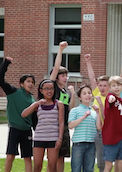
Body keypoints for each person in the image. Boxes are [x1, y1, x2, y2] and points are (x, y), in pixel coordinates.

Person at [0, 56, 36, 172]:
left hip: (27, 130)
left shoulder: (33, 99)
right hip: (15, 129)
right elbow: (0, 80)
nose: (31, 84)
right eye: (28, 81)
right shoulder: (13, 92)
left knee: (28, 157)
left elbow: (34, 118)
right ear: (22, 83)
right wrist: (6, 63)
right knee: (10, 156)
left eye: (32, 82)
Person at [22, 79, 64, 172]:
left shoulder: (58, 104)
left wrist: (60, 138)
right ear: (41, 90)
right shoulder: (38, 104)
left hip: (53, 137)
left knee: (52, 166)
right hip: (39, 137)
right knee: (37, 166)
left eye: (51, 88)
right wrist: (36, 104)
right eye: (46, 89)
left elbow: (61, 123)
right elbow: (24, 114)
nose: (49, 91)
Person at [50, 41, 75, 172]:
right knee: (53, 156)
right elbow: (55, 67)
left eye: (66, 75)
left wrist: (73, 94)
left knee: (62, 156)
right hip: (54, 125)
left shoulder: (65, 92)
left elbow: (69, 109)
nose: (65, 78)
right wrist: (60, 50)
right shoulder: (53, 88)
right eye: (62, 75)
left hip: (64, 125)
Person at [85, 53, 110, 172]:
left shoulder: (111, 98)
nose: (102, 88)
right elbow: (91, 78)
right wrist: (88, 62)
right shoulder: (96, 94)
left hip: (106, 131)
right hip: (94, 130)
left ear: (109, 87)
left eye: (105, 85)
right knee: (94, 159)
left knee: (104, 161)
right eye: (100, 85)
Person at [68, 85, 100, 172]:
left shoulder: (93, 112)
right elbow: (70, 125)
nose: (87, 95)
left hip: (91, 144)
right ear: (80, 97)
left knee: (89, 169)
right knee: (76, 168)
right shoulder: (75, 110)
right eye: (84, 93)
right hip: (78, 144)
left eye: (89, 93)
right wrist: (84, 116)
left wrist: (97, 113)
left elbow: (98, 127)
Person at [102, 76, 122, 172]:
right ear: (110, 87)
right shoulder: (110, 97)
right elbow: (110, 99)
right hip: (110, 137)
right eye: (114, 85)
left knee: (121, 164)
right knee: (109, 165)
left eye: (119, 85)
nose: (116, 88)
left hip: (121, 137)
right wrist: (112, 98)